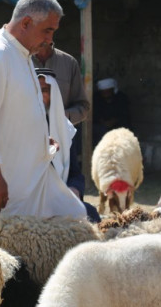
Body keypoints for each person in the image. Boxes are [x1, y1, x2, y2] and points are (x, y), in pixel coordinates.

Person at [0, 0, 86, 219]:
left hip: (32, 178)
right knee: (11, 246)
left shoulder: (21, 55)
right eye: (47, 30)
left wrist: (39, 138)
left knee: (76, 216)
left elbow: (16, 112)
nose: (50, 39)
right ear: (27, 23)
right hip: (6, 185)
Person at [36, 68, 100, 223]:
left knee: (90, 214)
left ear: (54, 95)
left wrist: (74, 190)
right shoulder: (19, 126)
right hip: (31, 199)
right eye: (36, 90)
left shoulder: (66, 129)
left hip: (60, 197)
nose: (40, 95)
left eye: (44, 90)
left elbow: (74, 172)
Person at [32, 43, 89, 125]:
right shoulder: (20, 61)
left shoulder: (69, 63)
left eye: (47, 31)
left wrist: (62, 117)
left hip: (62, 133)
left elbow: (83, 106)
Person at [92, 78, 131, 146]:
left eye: (108, 91)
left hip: (118, 124)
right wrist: (103, 122)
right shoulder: (96, 98)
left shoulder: (121, 97)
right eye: (103, 92)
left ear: (112, 90)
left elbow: (124, 113)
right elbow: (95, 113)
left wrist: (114, 121)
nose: (105, 94)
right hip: (101, 125)